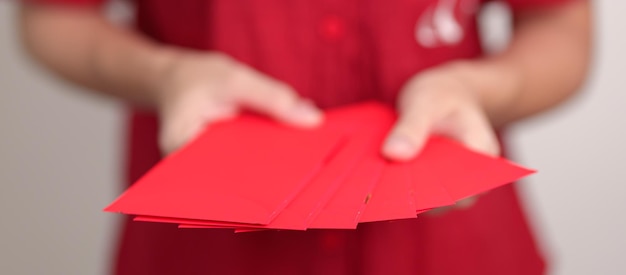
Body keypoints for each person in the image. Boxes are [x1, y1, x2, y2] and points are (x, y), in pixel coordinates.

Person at [18, 0, 592, 274]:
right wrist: (163, 76)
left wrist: (484, 88)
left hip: (455, 252)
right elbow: (54, 13)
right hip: (202, 255)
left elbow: (559, 23)